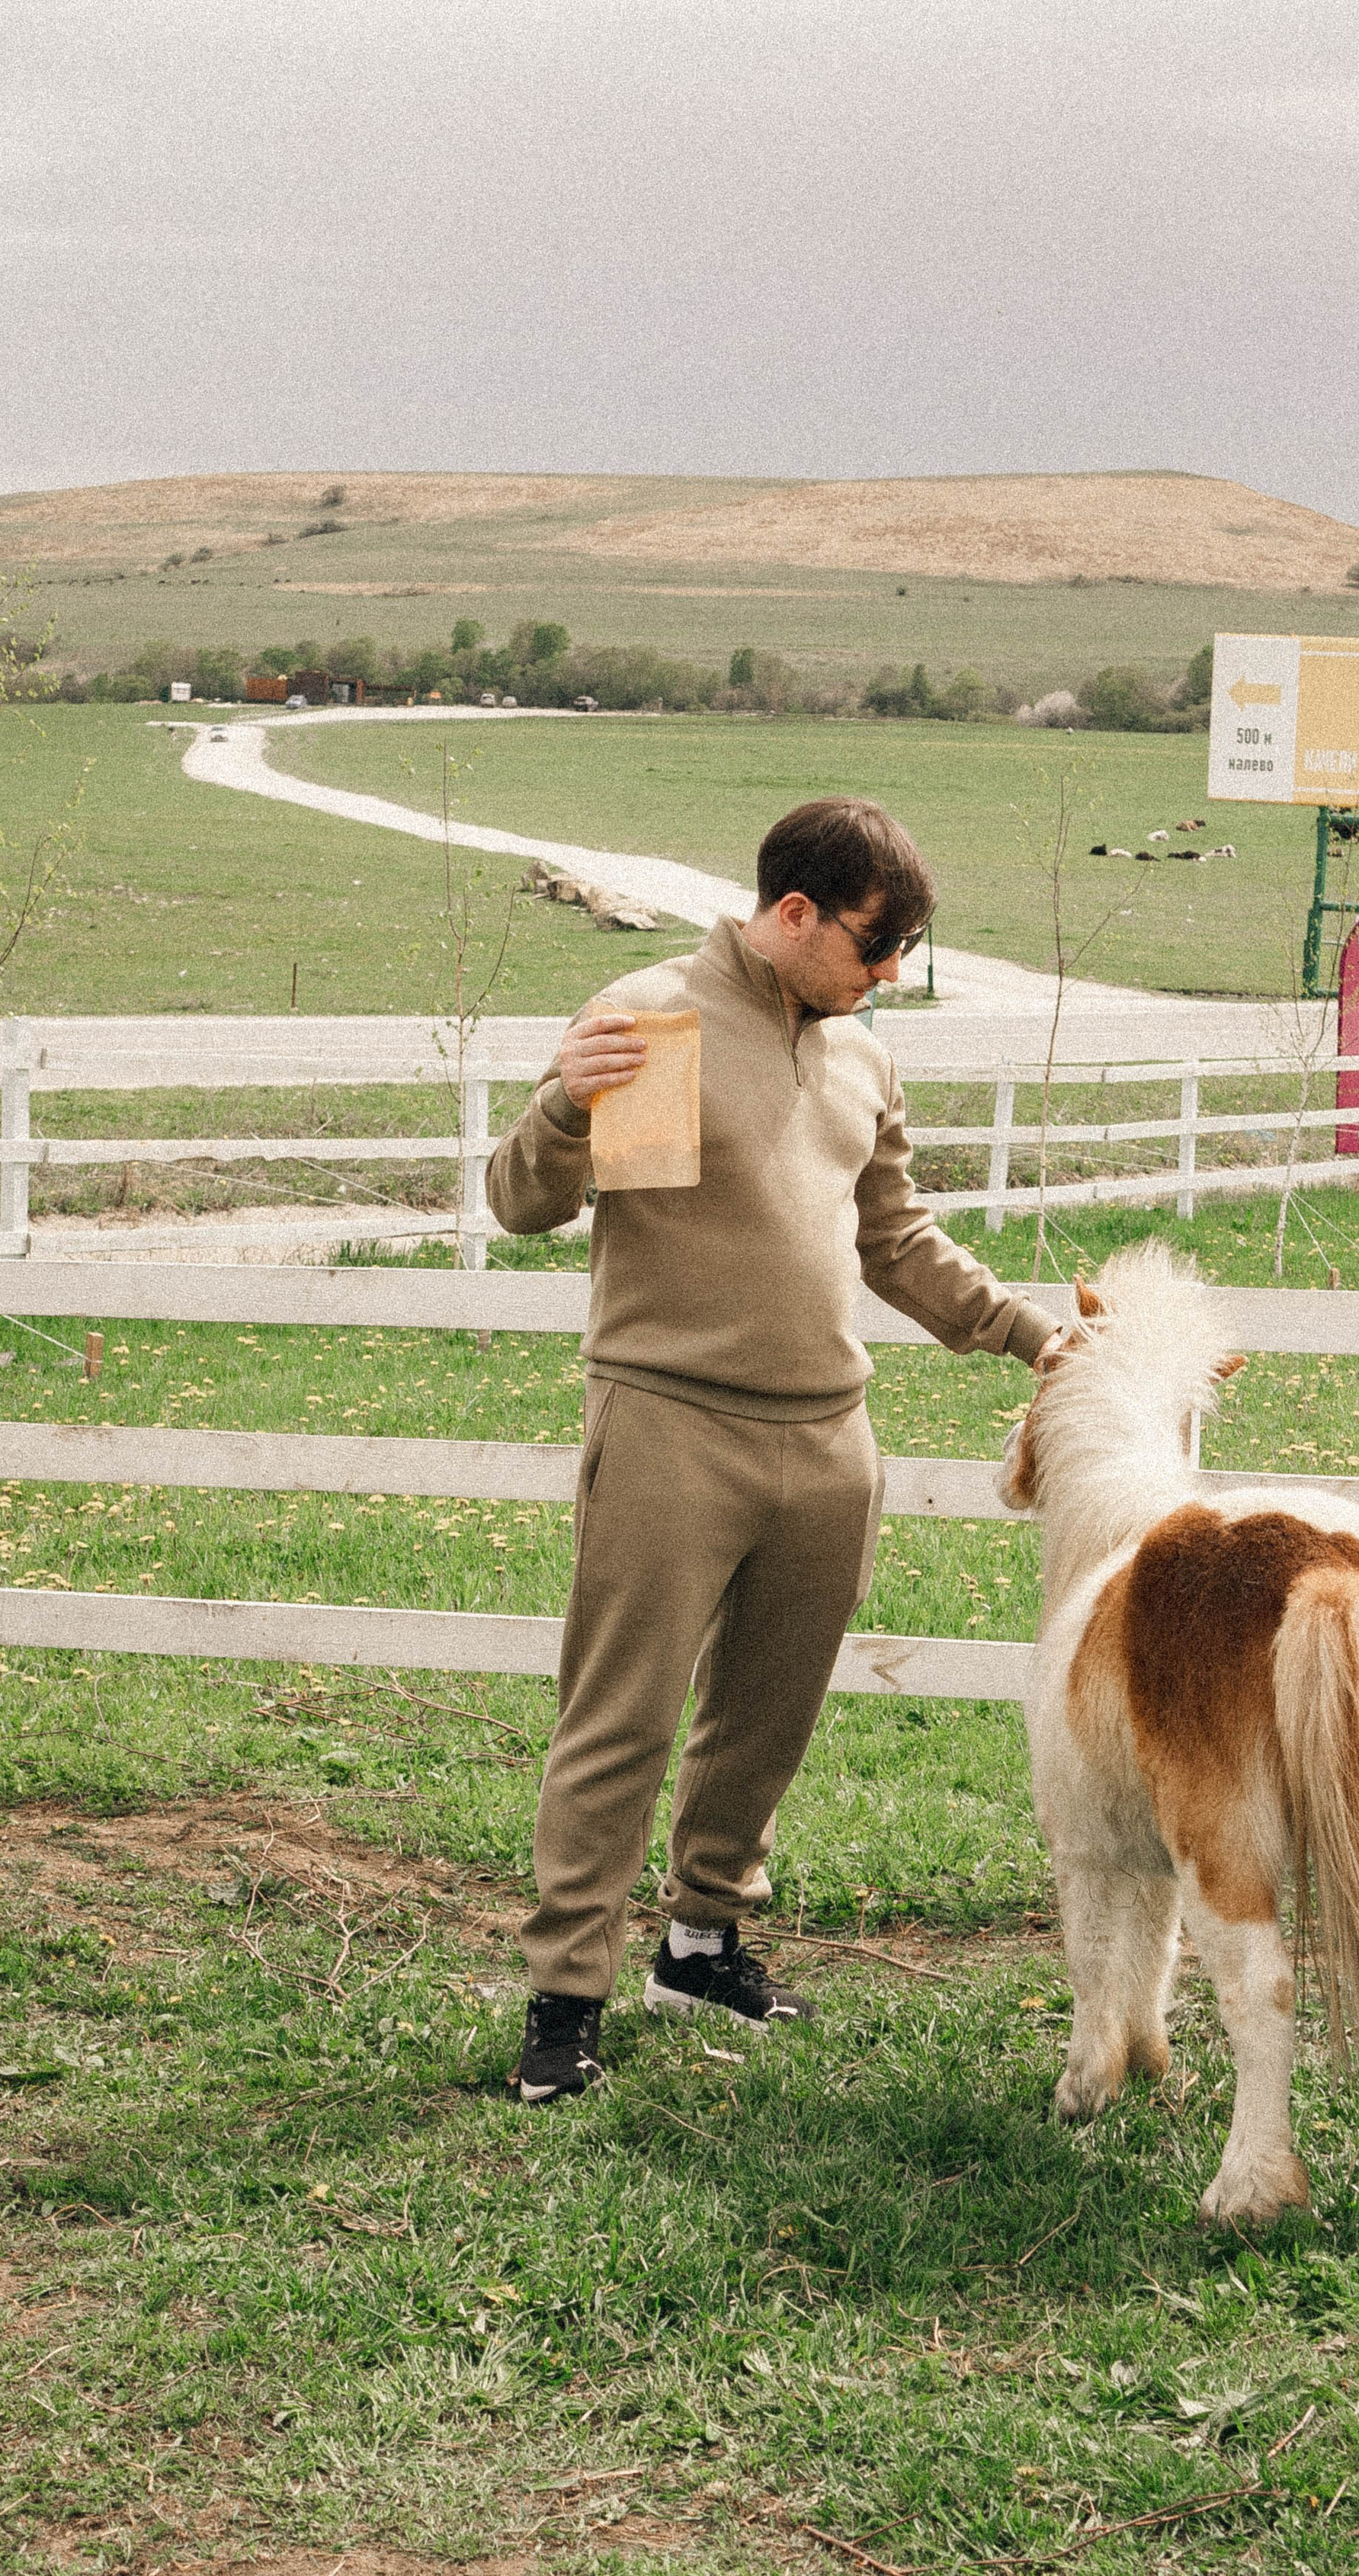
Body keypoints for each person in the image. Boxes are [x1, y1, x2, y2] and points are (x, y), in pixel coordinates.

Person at [486, 796, 1062, 2102]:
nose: (891, 973)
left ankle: (700, 1948)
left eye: (907, 949)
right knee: (621, 1722)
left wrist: (1037, 1337)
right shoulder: (657, 1021)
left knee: (767, 1718)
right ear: (794, 913)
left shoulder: (860, 1058)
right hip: (672, 1424)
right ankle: (564, 2001)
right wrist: (566, 1108)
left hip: (829, 1436)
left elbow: (895, 1241)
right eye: (876, 943)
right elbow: (523, 1204)